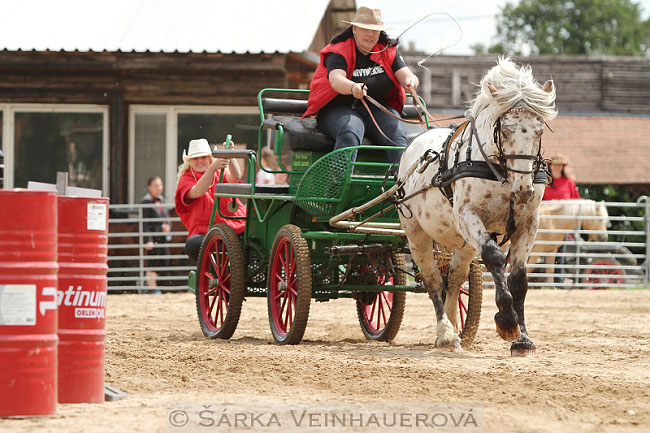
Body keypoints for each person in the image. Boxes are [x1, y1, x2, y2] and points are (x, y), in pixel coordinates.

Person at [302, 6, 420, 164]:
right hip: (336, 109)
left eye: (375, 30)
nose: (370, 34)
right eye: (366, 29)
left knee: (396, 133)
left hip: (376, 110)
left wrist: (411, 82)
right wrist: (353, 88)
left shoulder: (388, 50)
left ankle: (399, 185)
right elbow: (336, 80)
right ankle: (338, 185)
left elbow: (406, 74)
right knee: (350, 130)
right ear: (355, 29)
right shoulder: (338, 50)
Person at [174, 138, 247, 265]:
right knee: (194, 245)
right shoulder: (186, 178)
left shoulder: (219, 173)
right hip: (205, 234)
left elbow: (235, 177)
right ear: (189, 161)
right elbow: (197, 191)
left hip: (235, 228)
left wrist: (231, 154)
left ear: (209, 158)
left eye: (203, 157)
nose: (200, 161)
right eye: (195, 158)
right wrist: (212, 168)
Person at [141, 176, 171, 292]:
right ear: (149, 187)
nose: (159, 188)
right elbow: (144, 223)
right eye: (156, 185)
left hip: (162, 237)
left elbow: (167, 217)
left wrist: (168, 226)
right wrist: (148, 239)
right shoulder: (146, 202)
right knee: (152, 263)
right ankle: (152, 289)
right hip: (153, 238)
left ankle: (152, 286)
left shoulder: (162, 201)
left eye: (160, 185)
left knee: (163, 262)